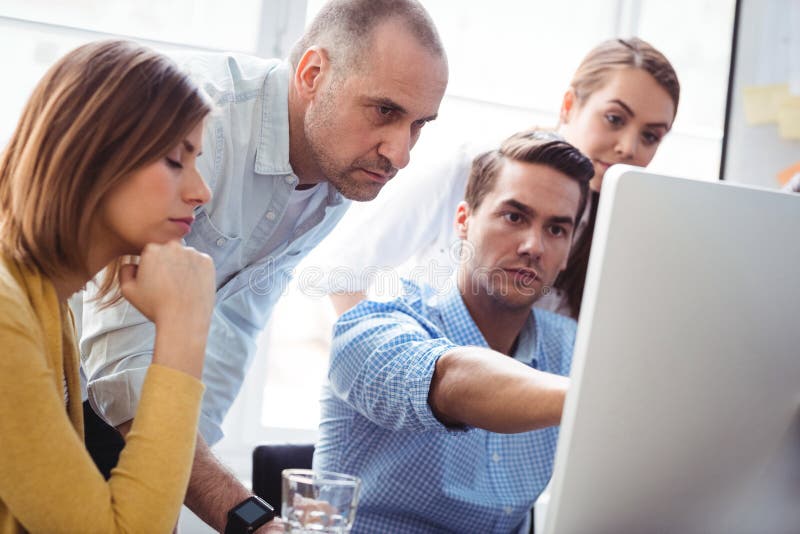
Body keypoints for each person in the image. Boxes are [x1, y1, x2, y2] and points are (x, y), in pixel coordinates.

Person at [79, 0, 449, 531]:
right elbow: (120, 356)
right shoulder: (198, 123)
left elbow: (235, 326)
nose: (401, 153)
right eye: (385, 111)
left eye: (420, 125)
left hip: (124, 418)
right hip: (49, 379)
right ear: (313, 74)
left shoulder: (339, 173)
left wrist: (182, 476)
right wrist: (249, 519)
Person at [313, 131, 594, 533]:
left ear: (567, 251)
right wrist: (594, 400)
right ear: (463, 221)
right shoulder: (376, 323)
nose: (534, 245)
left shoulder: (570, 348)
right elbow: (449, 380)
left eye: (556, 230)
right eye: (514, 217)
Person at [0, 40, 217, 533]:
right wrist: (182, 333)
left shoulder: (47, 302)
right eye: (173, 159)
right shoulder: (5, 312)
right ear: (89, 157)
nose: (200, 191)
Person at [321, 37, 679, 319]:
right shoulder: (476, 167)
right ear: (569, 106)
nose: (628, 148)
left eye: (650, 136)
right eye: (614, 119)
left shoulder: (622, 234)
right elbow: (345, 270)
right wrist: (392, 382)